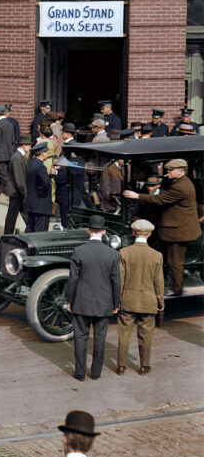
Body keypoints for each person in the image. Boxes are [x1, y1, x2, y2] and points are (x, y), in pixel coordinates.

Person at [123, 157, 200, 295]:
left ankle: (175, 289)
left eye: (171, 170)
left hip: (177, 232)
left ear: (181, 171)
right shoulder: (181, 182)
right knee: (167, 259)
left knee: (174, 261)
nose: (167, 172)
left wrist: (136, 196)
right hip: (172, 229)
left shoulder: (180, 187)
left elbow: (160, 199)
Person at [66, 215, 120, 382]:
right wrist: (116, 302)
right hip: (104, 303)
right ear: (104, 232)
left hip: (81, 302)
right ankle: (96, 372)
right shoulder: (112, 254)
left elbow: (73, 279)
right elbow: (116, 281)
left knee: (80, 337)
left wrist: (70, 300)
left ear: (88, 231)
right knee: (100, 337)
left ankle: (80, 373)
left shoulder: (78, 251)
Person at [115, 219, 164, 376]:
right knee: (146, 335)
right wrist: (160, 301)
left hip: (127, 299)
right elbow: (159, 281)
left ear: (133, 233)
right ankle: (144, 366)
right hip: (148, 301)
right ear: (149, 234)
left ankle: (121, 366)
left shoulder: (124, 252)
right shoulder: (157, 255)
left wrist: (117, 300)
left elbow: (119, 280)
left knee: (124, 334)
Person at [24, 141, 53, 233]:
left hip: (31, 204)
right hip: (41, 205)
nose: (48, 154)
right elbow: (46, 184)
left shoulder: (31, 164)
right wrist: (42, 192)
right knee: (40, 233)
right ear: (42, 153)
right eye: (47, 152)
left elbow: (36, 181)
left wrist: (50, 176)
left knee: (30, 229)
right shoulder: (41, 167)